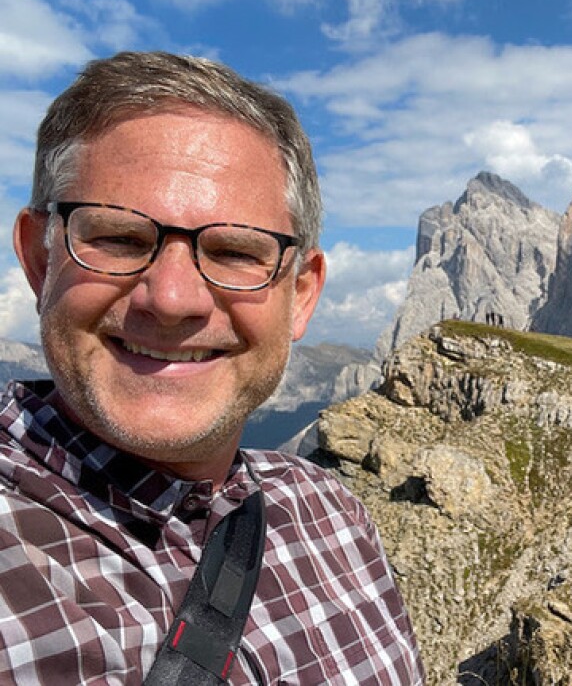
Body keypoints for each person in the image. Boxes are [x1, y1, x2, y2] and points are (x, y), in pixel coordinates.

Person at [0, 51, 425, 684]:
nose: (171, 299)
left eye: (234, 252)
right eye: (117, 238)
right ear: (40, 259)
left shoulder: (332, 511)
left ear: (302, 294)